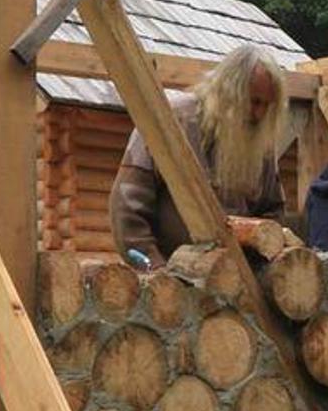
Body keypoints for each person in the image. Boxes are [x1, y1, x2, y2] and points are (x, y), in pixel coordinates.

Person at [110, 44, 288, 266]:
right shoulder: (171, 121)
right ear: (229, 91)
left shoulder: (259, 144)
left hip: (236, 278)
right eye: (254, 102)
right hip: (169, 275)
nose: (259, 114)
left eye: (267, 105)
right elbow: (127, 208)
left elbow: (272, 212)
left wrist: (256, 269)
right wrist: (155, 271)